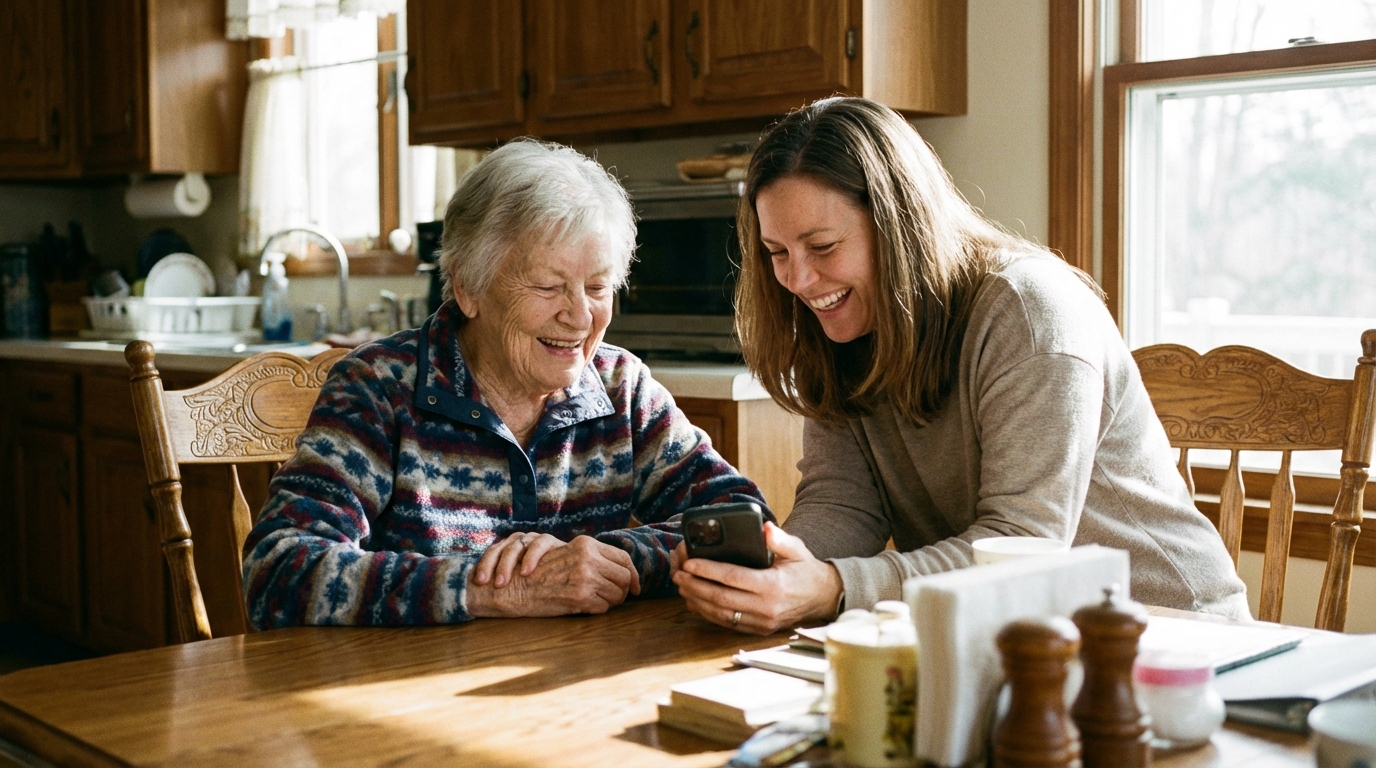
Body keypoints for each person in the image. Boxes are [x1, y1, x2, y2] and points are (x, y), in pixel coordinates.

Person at [672, 97, 1250, 634]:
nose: (798, 280)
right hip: (1008, 630)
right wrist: (773, 565)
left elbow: (1023, 544)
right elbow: (842, 503)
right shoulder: (843, 330)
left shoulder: (1029, 310)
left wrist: (834, 587)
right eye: (777, 254)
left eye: (822, 248)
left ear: (897, 228)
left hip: (1170, 630)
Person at [243, 140, 769, 628]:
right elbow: (277, 570)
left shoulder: (619, 387)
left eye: (598, 287)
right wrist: (490, 587)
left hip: (569, 690)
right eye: (548, 286)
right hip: (401, 698)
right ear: (468, 287)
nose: (580, 316)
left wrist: (607, 560)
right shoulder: (380, 389)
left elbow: (743, 524)